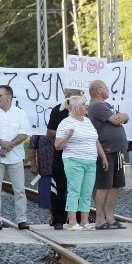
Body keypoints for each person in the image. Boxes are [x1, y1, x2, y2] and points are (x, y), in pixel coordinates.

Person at [55, 95, 109, 230]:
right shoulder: (66, 123)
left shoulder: (87, 121)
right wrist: (68, 136)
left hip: (90, 161)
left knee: (86, 192)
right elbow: (57, 146)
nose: (87, 107)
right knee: (74, 191)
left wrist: (103, 156)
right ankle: (72, 222)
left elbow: (95, 140)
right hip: (74, 160)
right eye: (84, 105)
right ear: (77, 107)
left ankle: (85, 221)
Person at [0, 85, 31, 230]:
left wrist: (8, 146)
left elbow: (24, 133)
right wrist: (2, 144)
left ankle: (21, 219)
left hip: (16, 157)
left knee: (19, 189)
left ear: (9, 97)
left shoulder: (20, 114)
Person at [87, 79, 129, 230]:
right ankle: (100, 219)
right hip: (105, 151)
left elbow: (123, 118)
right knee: (104, 185)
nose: (108, 89)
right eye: (106, 87)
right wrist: (123, 116)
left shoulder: (106, 105)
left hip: (115, 151)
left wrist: (124, 115)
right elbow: (116, 120)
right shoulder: (97, 106)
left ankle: (110, 218)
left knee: (115, 185)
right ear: (99, 90)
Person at [46, 88, 83, 230]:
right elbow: (49, 132)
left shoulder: (82, 111)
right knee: (60, 187)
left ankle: (78, 218)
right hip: (61, 154)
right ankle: (58, 219)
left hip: (78, 154)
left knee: (78, 187)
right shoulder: (58, 110)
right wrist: (65, 134)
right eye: (79, 94)